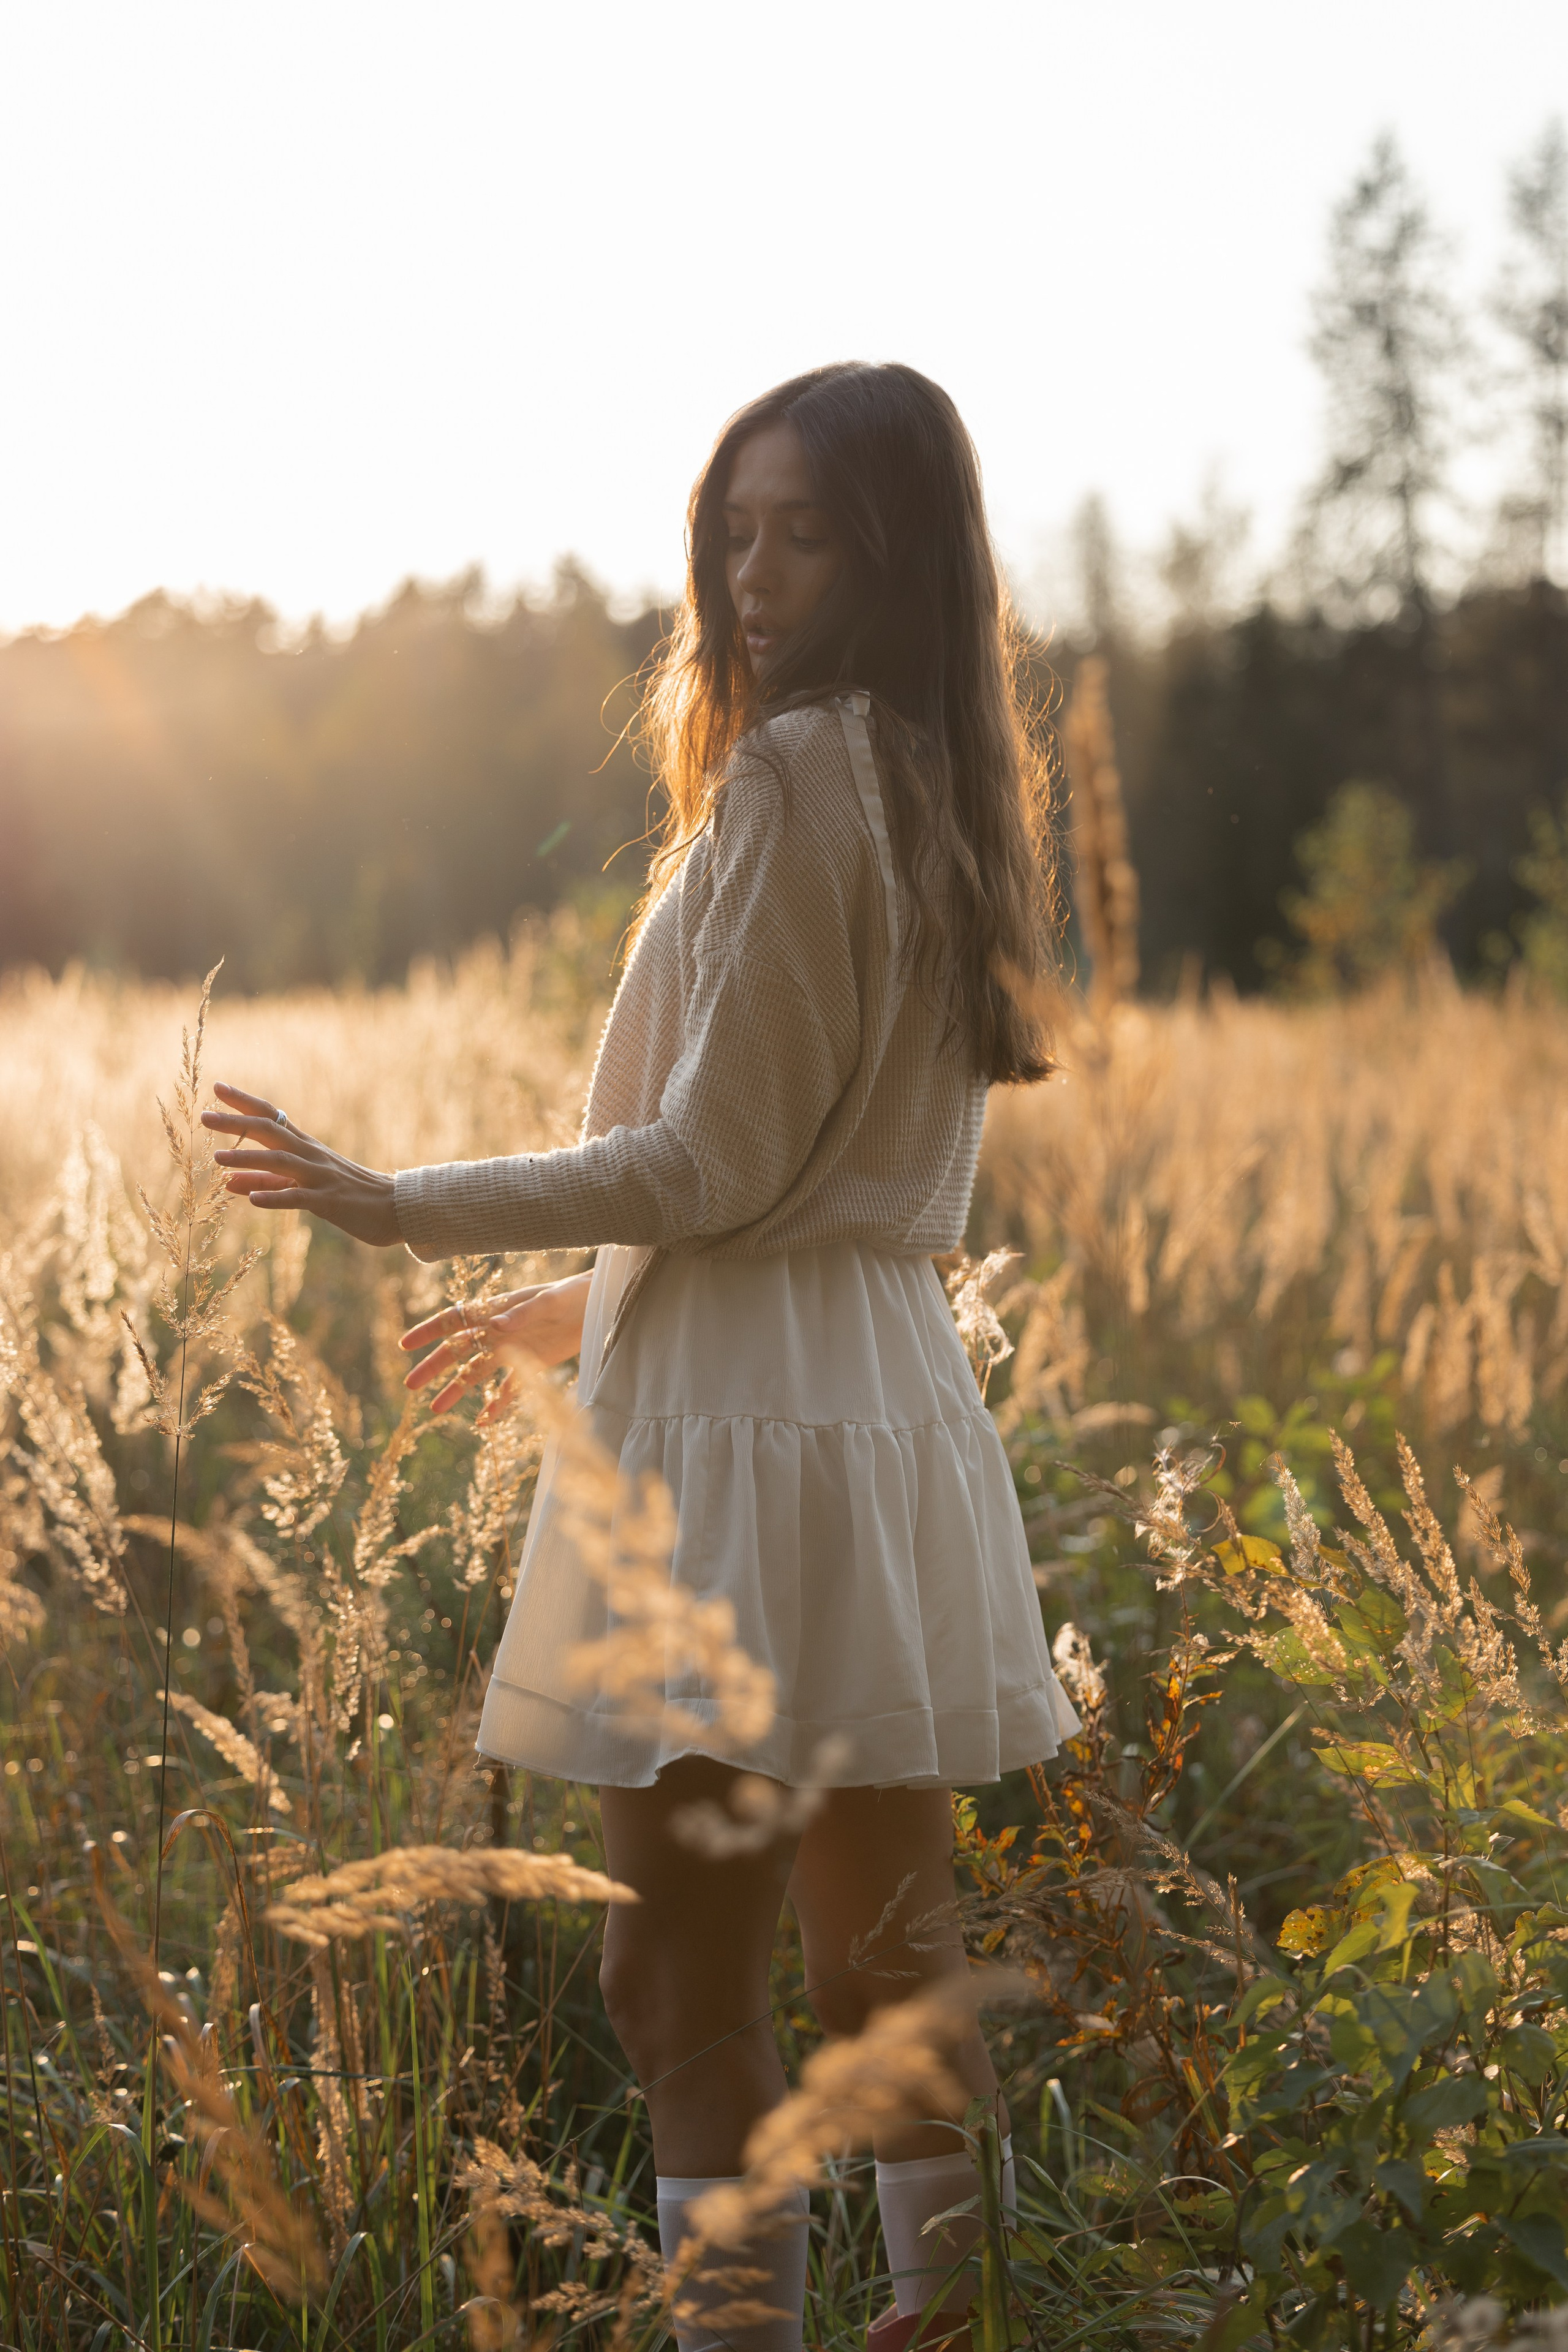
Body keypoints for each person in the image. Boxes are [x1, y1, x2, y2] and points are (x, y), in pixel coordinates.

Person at [203, 361, 1079, 2352]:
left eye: (807, 533)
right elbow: (827, 1177)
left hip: (731, 1441)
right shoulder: (939, 778)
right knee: (890, 1978)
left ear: (895, 552)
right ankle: (956, 2324)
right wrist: (588, 1307)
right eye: (735, 531)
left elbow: (711, 1158)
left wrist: (393, 1198)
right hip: (878, 1397)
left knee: (684, 1998)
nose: (754, 578)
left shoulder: (787, 781)